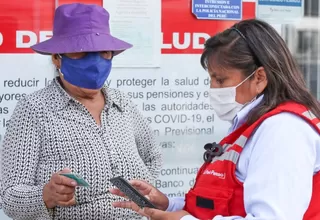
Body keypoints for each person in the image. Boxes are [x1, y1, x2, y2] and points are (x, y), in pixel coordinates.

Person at [110, 19, 320, 220]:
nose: (214, 89)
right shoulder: (252, 125)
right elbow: (218, 204)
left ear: (259, 77)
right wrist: (168, 205)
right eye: (211, 79)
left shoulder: (283, 131)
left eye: (220, 80)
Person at [0, 3, 162, 220]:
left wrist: (147, 191)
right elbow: (9, 197)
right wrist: (46, 195)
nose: (95, 62)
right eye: (81, 52)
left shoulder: (122, 103)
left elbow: (152, 156)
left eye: (103, 52)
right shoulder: (34, 109)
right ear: (57, 58)